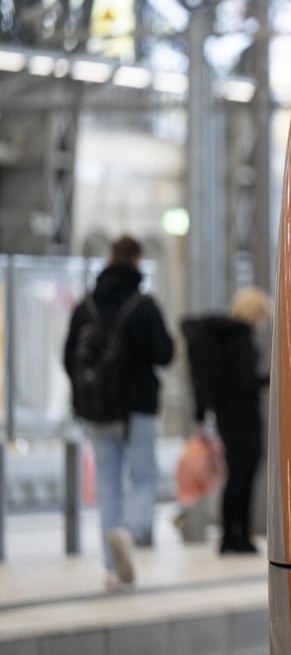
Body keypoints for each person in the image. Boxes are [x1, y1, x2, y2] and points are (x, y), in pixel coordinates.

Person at [62, 234, 175, 590]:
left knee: (107, 484)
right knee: (143, 476)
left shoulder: (86, 305)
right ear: (137, 262)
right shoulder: (143, 305)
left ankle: (112, 570)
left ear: (109, 259)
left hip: (96, 411)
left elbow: (68, 358)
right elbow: (165, 354)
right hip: (137, 408)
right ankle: (127, 531)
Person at [181, 286, 271, 555]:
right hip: (242, 414)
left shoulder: (225, 336)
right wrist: (270, 378)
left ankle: (229, 535)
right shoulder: (239, 338)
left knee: (235, 472)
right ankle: (237, 535)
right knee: (243, 472)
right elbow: (244, 381)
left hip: (227, 414)